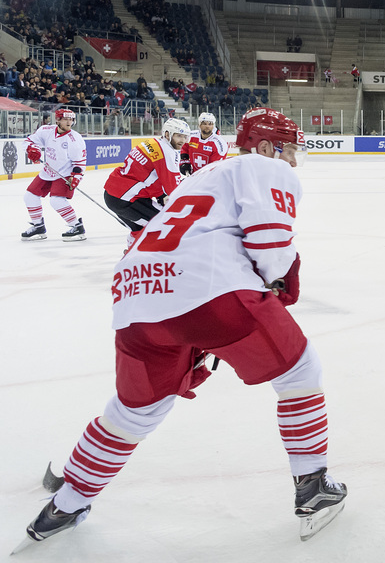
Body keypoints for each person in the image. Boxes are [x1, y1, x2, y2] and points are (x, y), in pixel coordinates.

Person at [19, 107, 346, 546]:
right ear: (267, 146)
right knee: (299, 372)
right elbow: (269, 241)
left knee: (133, 411)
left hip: (135, 294)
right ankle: (313, 489)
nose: (291, 160)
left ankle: (66, 505)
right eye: (288, 150)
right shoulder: (263, 165)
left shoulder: (198, 176)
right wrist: (277, 285)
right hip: (208, 287)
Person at [104, 118, 190, 249]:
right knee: (164, 223)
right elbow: (173, 189)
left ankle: (132, 255)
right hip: (126, 199)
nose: (182, 141)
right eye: (179, 136)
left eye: (185, 137)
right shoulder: (166, 152)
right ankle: (148, 256)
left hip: (113, 194)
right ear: (167, 134)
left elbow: (148, 175)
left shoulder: (153, 142)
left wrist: (161, 195)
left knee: (138, 227)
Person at [20, 108, 87, 242]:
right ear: (58, 120)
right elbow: (29, 141)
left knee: (56, 200)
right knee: (30, 196)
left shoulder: (75, 139)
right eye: (66, 119)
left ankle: (77, 226)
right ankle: (38, 226)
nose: (69, 122)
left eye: (71, 119)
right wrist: (33, 149)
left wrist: (76, 177)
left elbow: (80, 162)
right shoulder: (46, 130)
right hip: (48, 171)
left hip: (65, 173)